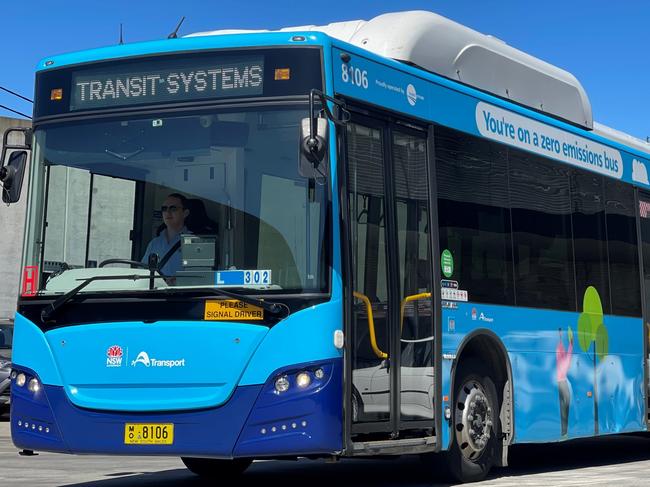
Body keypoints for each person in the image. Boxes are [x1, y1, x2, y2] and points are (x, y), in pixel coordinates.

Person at [142, 193, 191, 276]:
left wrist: (178, 281)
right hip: (157, 288)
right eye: (164, 208)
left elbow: (201, 277)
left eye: (173, 208)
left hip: (182, 289)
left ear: (185, 213)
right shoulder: (154, 243)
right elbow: (143, 271)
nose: (167, 212)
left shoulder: (195, 243)